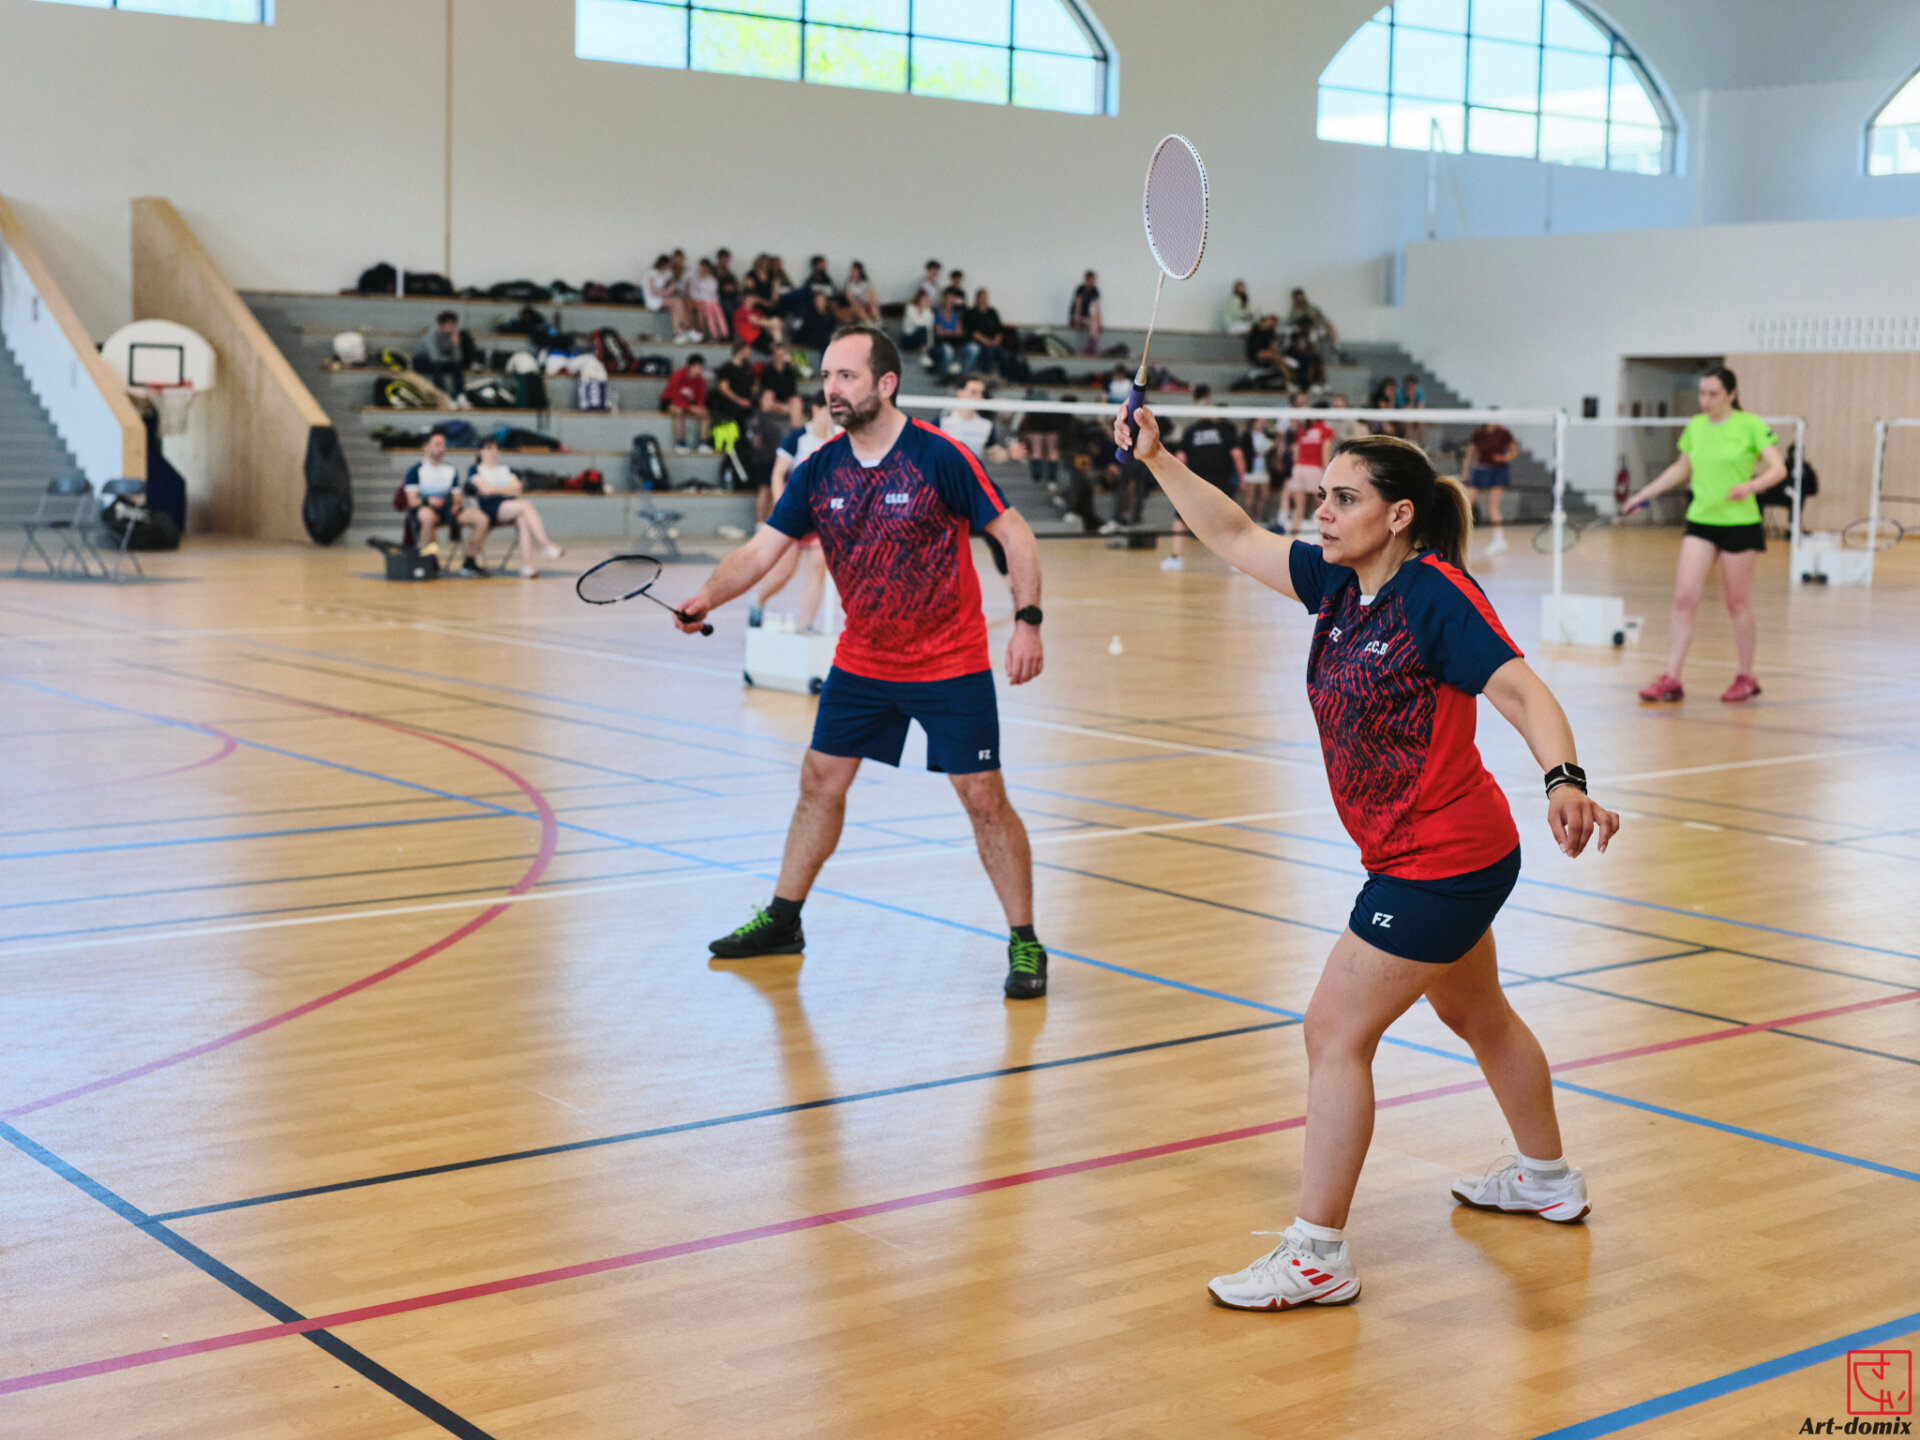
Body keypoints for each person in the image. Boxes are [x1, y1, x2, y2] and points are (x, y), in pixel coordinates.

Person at [1116, 402, 1620, 1313]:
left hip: (1442, 857)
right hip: (1430, 850)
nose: (1322, 510)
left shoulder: (1435, 596)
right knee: (1479, 1015)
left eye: (1343, 498)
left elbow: (1520, 689)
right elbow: (1232, 533)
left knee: (1334, 1031)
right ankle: (1546, 1178)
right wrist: (1156, 458)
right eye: (1323, 494)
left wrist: (1564, 779)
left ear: (1398, 515)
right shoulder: (1336, 583)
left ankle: (1316, 1255)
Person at [677, 325, 1052, 1000]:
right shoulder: (819, 470)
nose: (831, 389)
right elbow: (762, 551)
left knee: (982, 798)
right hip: (865, 658)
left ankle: (1025, 941)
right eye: (826, 376)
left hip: (949, 658)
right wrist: (707, 597)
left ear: (886, 383)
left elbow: (1014, 534)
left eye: (845, 376)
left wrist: (1027, 621)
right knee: (819, 780)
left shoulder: (939, 456)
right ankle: (783, 920)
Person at [1625, 366, 1787, 704]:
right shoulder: (1696, 427)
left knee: (1736, 602)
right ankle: (1671, 678)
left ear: (1731, 394)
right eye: (1702, 393)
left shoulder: (1750, 425)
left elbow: (1778, 468)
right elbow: (1681, 468)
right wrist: (1643, 494)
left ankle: (1746, 677)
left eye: (1713, 394)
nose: (1706, 400)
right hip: (1701, 521)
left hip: (1740, 524)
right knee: (1684, 598)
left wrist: (1751, 486)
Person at [752, 391, 840, 630]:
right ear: (817, 410)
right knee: (784, 571)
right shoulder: (798, 438)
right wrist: (784, 506)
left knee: (818, 567)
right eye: (829, 410)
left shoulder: (838, 441)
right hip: (793, 515)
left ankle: (805, 626)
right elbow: (777, 475)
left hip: (821, 518)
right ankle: (758, 602)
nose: (832, 417)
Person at [1163, 385, 1244, 571]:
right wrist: (1241, 479)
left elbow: (1180, 458)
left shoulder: (1190, 432)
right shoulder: (1224, 430)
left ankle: (1176, 558)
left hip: (1197, 484)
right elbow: (1237, 455)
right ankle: (1236, 562)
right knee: (1229, 519)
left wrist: (1177, 483)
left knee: (1180, 518)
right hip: (1221, 482)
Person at [464, 438, 566, 578]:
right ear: (479, 452)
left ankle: (527, 565)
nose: (493, 451)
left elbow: (518, 489)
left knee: (523, 519)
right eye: (488, 448)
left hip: (510, 507)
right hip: (490, 508)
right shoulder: (475, 469)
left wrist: (493, 489)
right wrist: (506, 489)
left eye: (495, 448)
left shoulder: (505, 469)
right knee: (526, 505)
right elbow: (485, 490)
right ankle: (545, 544)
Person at [403, 432, 477, 570]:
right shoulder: (415, 471)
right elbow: (412, 501)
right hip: (425, 508)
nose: (442, 448)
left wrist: (456, 505)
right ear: (426, 447)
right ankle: (429, 560)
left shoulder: (451, 470)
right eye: (437, 445)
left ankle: (470, 561)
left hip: (448, 510)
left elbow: (456, 495)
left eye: (444, 445)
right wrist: (428, 501)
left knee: (482, 519)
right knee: (427, 517)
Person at [1463, 417, 1519, 555]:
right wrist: (1465, 472)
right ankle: (1459, 537)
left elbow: (1514, 449)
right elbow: (1470, 453)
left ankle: (1499, 540)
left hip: (1498, 472)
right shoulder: (1479, 433)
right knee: (1466, 502)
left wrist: (1505, 457)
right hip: (1481, 470)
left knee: (1493, 506)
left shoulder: (1503, 433)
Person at [1285, 404, 1337, 536]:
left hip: (1299, 468)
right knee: (1322, 507)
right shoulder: (1326, 431)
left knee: (1298, 509)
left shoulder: (1303, 430)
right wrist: (1328, 474)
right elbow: (1325, 453)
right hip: (1314, 469)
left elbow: (1296, 453)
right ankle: (1324, 540)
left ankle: (1292, 539)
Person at [413, 311, 469, 404]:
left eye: (454, 324)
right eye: (449, 324)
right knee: (437, 365)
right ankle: (443, 395)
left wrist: (455, 343)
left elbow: (457, 358)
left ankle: (460, 394)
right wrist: (448, 359)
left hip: (439, 360)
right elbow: (434, 357)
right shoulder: (431, 335)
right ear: (442, 324)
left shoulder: (452, 335)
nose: (452, 327)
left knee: (457, 365)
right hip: (421, 360)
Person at [662, 354, 711, 455]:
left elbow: (700, 399)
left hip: (689, 404)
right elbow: (674, 397)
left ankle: (703, 443)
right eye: (699, 368)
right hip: (670, 401)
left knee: (705, 413)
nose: (701, 370)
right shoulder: (677, 376)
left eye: (702, 368)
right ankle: (681, 443)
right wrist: (691, 408)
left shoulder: (701, 380)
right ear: (691, 367)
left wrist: (699, 408)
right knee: (678, 411)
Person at [644, 254, 700, 343]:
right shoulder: (652, 273)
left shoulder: (665, 274)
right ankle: (685, 328)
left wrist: (671, 288)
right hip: (653, 299)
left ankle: (678, 332)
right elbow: (653, 291)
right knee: (677, 302)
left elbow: (669, 285)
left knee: (679, 304)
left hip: (661, 296)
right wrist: (666, 292)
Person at [962, 288, 1009, 378]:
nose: (983, 300)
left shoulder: (992, 312)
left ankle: (1004, 378)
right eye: (981, 297)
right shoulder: (971, 313)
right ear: (977, 299)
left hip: (993, 341)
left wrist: (996, 340)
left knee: (1005, 354)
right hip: (980, 341)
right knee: (988, 351)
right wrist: (987, 341)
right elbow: (973, 333)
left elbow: (999, 329)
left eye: (985, 297)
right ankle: (986, 377)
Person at [688, 258, 730, 340]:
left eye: (705, 269)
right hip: (701, 301)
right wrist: (698, 298)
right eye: (701, 268)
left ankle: (724, 332)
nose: (703, 270)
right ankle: (714, 333)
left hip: (713, 300)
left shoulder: (711, 279)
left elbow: (713, 290)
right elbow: (693, 291)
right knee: (709, 316)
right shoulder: (695, 278)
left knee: (718, 314)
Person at [1243, 418, 1275, 526]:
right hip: (1251, 469)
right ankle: (1249, 520)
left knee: (1264, 495)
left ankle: (1260, 518)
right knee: (1250, 496)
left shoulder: (1268, 435)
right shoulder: (1248, 435)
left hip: (1264, 469)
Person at [930, 290, 967, 376]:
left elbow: (960, 332)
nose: (950, 302)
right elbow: (939, 332)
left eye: (952, 300)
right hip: (940, 344)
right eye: (948, 299)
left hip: (955, 343)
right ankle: (945, 376)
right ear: (944, 299)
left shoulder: (956, 314)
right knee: (948, 350)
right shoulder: (936, 313)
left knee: (973, 348)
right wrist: (953, 332)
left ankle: (964, 375)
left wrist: (947, 332)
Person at [1069, 270, 1103, 355]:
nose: (1093, 282)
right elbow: (1077, 306)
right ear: (1087, 279)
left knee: (1094, 322)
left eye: (1093, 280)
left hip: (1088, 317)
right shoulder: (1080, 289)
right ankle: (1091, 348)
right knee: (1093, 324)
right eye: (1091, 280)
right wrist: (1076, 322)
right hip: (1079, 316)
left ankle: (1091, 347)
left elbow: (1097, 307)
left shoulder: (1094, 290)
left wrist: (1100, 324)